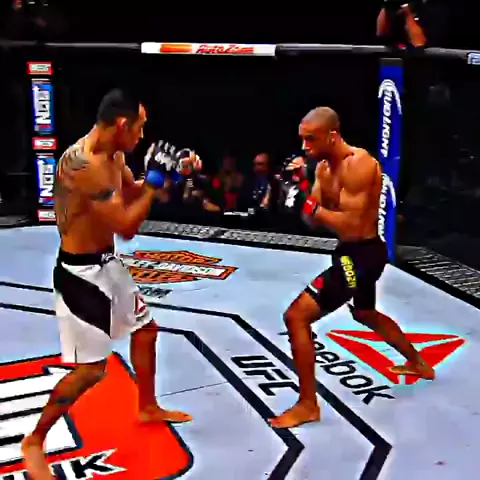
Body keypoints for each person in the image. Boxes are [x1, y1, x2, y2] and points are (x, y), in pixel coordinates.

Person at [21, 89, 192, 480]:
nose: (142, 136)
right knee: (91, 371)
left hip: (107, 264)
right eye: (140, 128)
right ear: (122, 124)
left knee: (146, 331)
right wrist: (154, 184)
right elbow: (127, 225)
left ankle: (147, 406)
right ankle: (35, 439)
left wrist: (174, 173)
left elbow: (131, 194)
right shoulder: (83, 165)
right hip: (81, 275)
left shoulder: (115, 157)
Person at [269, 106, 435, 429]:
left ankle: (307, 404)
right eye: (302, 139)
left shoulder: (360, 164)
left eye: (311, 139)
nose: (304, 147)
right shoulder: (322, 170)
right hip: (348, 252)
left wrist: (308, 204)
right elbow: (312, 221)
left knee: (296, 316)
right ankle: (419, 363)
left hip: (363, 256)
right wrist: (296, 191)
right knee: (364, 313)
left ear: (332, 135)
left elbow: (352, 224)